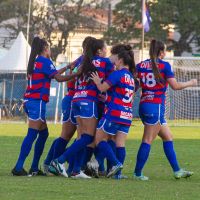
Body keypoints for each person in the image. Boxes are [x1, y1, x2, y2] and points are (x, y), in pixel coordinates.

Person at [11, 36, 80, 176]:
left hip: (30, 101)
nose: (50, 50)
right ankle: (18, 167)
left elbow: (54, 74)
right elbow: (58, 78)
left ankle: (35, 167)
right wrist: (77, 73)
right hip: (37, 102)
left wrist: (67, 67)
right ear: (45, 49)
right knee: (32, 134)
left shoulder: (37, 61)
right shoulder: (44, 61)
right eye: (48, 47)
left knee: (43, 134)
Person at [49, 38, 114, 178]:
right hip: (89, 101)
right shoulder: (104, 62)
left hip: (76, 99)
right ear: (98, 50)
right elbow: (113, 80)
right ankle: (59, 161)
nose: (106, 51)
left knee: (80, 137)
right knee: (88, 137)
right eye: (104, 49)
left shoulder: (81, 61)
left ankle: (76, 170)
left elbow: (71, 79)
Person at [133, 39, 197, 181]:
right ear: (161, 52)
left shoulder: (140, 65)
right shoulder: (164, 66)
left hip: (144, 105)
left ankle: (177, 170)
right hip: (155, 106)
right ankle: (137, 173)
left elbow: (133, 82)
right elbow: (175, 86)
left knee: (168, 137)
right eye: (165, 50)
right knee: (147, 139)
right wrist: (191, 82)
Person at [43, 37, 95, 176]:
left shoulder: (81, 60)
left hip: (74, 98)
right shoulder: (86, 61)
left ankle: (69, 167)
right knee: (72, 136)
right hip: (75, 99)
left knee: (73, 136)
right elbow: (69, 80)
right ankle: (56, 164)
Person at [90, 45, 135, 178]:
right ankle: (118, 174)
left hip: (114, 113)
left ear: (120, 60)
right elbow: (121, 93)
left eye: (116, 59)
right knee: (120, 144)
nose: (114, 61)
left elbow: (103, 88)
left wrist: (98, 82)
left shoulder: (117, 74)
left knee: (99, 140)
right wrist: (108, 98)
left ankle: (115, 164)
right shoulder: (131, 77)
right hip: (127, 114)